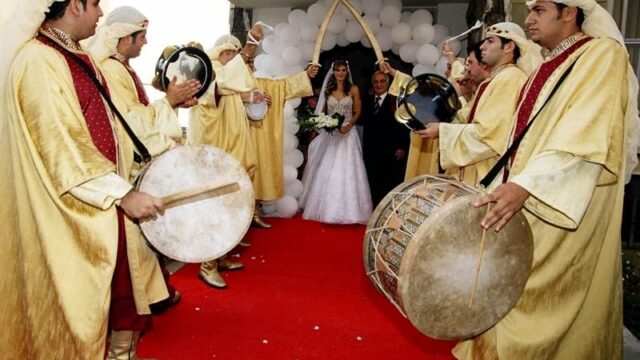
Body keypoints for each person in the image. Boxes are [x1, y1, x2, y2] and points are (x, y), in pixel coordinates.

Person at [455, 1, 640, 359]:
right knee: (507, 291)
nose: (528, 20)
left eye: (538, 10)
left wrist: (527, 185)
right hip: (525, 195)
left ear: (569, 12)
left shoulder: (601, 55)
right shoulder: (545, 65)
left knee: (547, 302)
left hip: (563, 202)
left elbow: (588, 133)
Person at [0, 0, 171, 358]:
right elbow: (59, 145)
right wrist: (121, 195)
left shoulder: (78, 57)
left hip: (102, 199)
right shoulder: (38, 60)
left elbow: (112, 127)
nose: (100, 14)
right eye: (94, 4)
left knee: (125, 294)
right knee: (72, 312)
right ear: (74, 5)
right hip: (67, 212)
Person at [87, 5, 202, 314]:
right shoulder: (111, 70)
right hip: (122, 173)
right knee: (130, 255)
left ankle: (156, 294)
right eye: (142, 36)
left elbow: (139, 114)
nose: (146, 43)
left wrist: (172, 104)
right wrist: (169, 101)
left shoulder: (122, 67)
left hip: (131, 170)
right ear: (125, 39)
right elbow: (132, 123)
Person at [414, 22, 541, 187]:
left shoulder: (511, 78)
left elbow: (490, 136)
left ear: (509, 46)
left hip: (487, 176)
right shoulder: (495, 79)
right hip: (473, 173)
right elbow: (467, 119)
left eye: (490, 41)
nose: (482, 47)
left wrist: (443, 131)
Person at [189, 32, 263, 288]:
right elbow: (215, 94)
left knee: (230, 209)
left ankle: (221, 257)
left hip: (230, 153)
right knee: (215, 211)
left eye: (236, 52)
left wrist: (250, 101)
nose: (233, 57)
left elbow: (232, 92)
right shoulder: (205, 72)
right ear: (219, 52)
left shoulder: (223, 75)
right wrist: (251, 46)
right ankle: (207, 265)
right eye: (230, 52)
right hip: (214, 156)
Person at [299, 60, 373, 224]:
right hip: (332, 135)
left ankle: (353, 211)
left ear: (347, 72)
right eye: (338, 70)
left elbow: (358, 110)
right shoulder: (328, 91)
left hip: (348, 134)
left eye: (343, 70)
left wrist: (349, 125)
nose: (340, 73)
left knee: (349, 169)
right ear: (333, 72)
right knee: (329, 168)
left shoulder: (353, 89)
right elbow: (324, 112)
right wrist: (325, 124)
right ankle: (326, 209)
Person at [248, 63, 319, 222]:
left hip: (259, 136)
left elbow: (283, 86)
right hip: (238, 134)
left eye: (250, 60)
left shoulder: (261, 82)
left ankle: (254, 212)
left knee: (260, 167)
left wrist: (306, 75)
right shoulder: (231, 83)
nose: (249, 63)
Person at [362, 70, 410, 206]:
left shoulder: (395, 101)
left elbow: (403, 125)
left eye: (382, 81)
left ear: (388, 83)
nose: (379, 84)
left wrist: (401, 146)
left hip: (390, 151)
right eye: (376, 82)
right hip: (371, 151)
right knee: (372, 183)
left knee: (389, 184)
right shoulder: (366, 101)